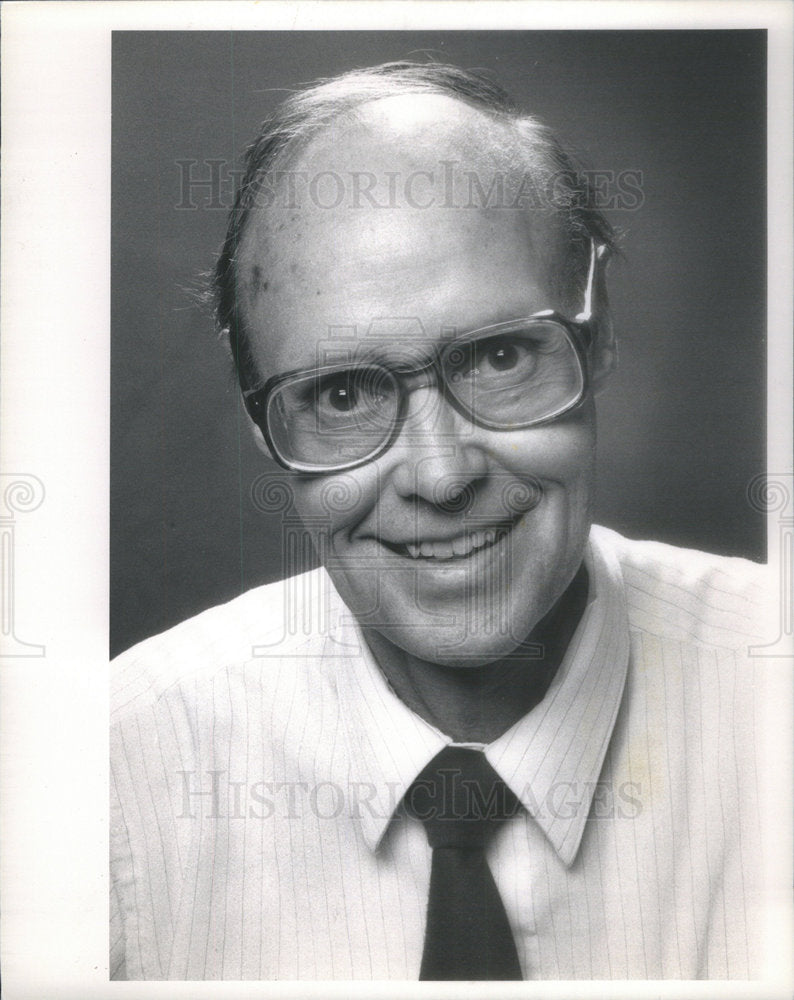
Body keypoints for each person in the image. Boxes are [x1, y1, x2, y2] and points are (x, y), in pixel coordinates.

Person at [110, 62, 772, 980]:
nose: (440, 472)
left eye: (499, 355)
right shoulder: (114, 773)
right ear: (262, 422)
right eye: (341, 393)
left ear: (600, 331)